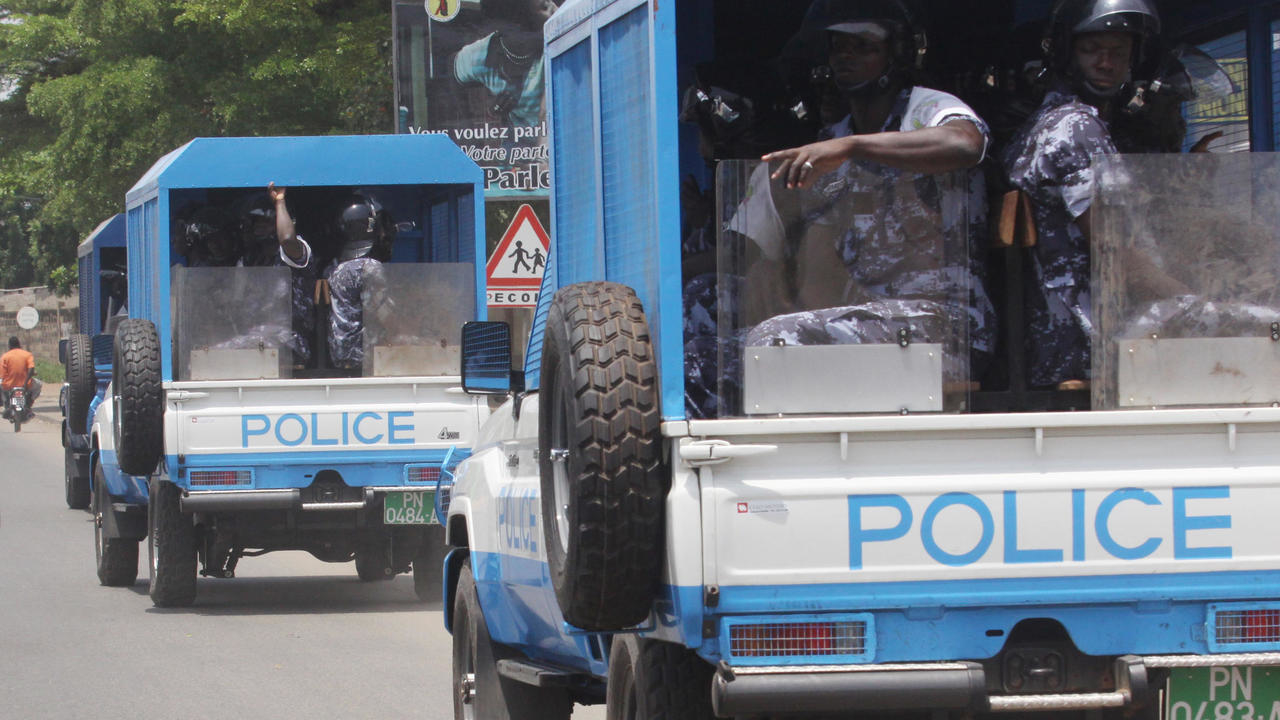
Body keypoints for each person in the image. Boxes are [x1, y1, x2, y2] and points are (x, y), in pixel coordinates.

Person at [742, 0, 996, 380]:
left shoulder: (927, 108)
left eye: (863, 46)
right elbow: (820, 244)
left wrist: (854, 147)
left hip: (946, 325)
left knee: (777, 343)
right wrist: (776, 267)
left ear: (898, 54)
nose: (846, 56)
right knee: (719, 354)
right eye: (837, 46)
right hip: (868, 316)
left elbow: (966, 144)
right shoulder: (835, 135)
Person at [1000, 0, 1162, 390]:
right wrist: (1194, 297)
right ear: (1065, 53)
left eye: (1118, 53)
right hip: (1088, 340)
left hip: (1069, 337)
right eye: (1092, 51)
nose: (1106, 63)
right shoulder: (1077, 128)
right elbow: (1117, 254)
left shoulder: (1048, 121)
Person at [236, 184, 319, 366]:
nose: (257, 227)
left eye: (264, 222)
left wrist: (280, 202)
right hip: (255, 339)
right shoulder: (252, 260)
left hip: (289, 342)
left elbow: (288, 239)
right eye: (254, 222)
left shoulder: (295, 251)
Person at [452, 0, 559, 127]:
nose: (555, 8)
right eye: (545, 6)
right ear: (515, 23)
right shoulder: (479, 55)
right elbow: (452, 70)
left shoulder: (561, 43)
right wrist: (472, 120)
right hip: (518, 141)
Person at [322, 193, 394, 370]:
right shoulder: (369, 267)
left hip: (340, 354)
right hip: (364, 356)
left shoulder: (334, 268)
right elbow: (386, 318)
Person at [1, 336, 40, 419]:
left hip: (9, 385)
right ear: (19, 344)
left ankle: (6, 403)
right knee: (39, 385)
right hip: (26, 385)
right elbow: (31, 369)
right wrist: (25, 383)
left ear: (9, 346)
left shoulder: (5, 356)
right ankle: (29, 404)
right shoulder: (27, 355)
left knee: (1, 389)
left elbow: (2, 374)